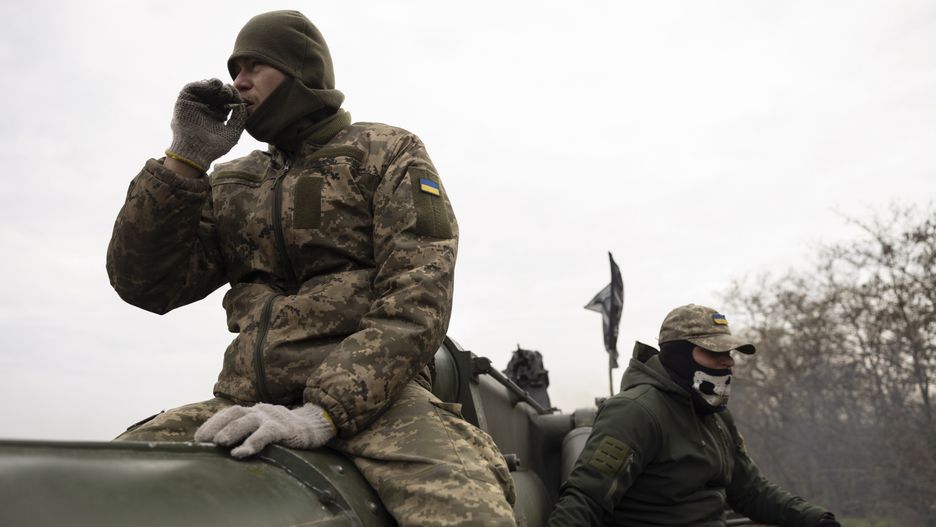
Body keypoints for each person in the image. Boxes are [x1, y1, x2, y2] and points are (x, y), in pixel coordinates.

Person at [106, 10, 515, 526]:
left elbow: (418, 297)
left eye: (257, 65)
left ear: (301, 71)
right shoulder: (234, 181)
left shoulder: (385, 152)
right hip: (244, 403)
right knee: (109, 479)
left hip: (379, 404)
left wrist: (322, 414)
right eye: (235, 68)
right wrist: (185, 161)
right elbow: (145, 283)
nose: (239, 81)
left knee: (469, 514)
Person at [547, 304, 840, 527]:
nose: (727, 362)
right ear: (679, 355)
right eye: (714, 352)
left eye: (730, 353)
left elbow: (749, 490)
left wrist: (816, 520)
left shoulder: (715, 416)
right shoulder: (636, 412)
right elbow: (586, 498)